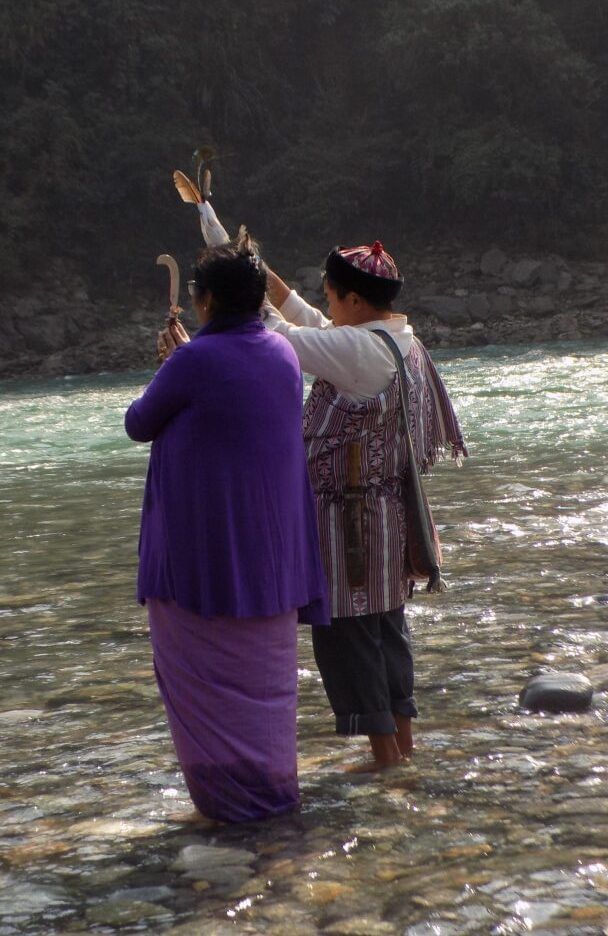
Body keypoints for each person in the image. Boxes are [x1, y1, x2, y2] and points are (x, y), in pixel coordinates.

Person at [124, 234, 329, 822]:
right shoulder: (282, 354)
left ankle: (229, 808)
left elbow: (140, 422)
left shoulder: (193, 360)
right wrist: (183, 360)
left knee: (203, 686)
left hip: (202, 558)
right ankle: (271, 796)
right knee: (264, 689)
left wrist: (172, 361)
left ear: (206, 300)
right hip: (270, 559)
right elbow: (223, 390)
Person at [258, 241, 468, 772]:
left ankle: (385, 763)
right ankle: (403, 749)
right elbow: (309, 322)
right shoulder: (399, 341)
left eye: (330, 296)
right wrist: (259, 270)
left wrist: (241, 286)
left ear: (353, 299)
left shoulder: (359, 353)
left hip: (350, 524)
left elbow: (286, 337)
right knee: (389, 634)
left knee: (352, 640)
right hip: (389, 518)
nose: (324, 304)